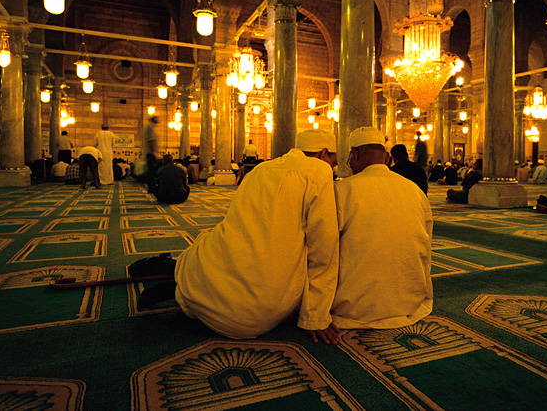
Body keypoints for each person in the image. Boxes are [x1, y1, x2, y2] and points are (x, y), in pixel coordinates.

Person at [157, 129, 340, 343]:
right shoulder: (319, 171)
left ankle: (175, 278)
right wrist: (315, 317)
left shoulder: (262, 168)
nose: (333, 168)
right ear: (323, 153)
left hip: (211, 279)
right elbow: (324, 247)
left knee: (203, 243)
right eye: (333, 162)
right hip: (256, 315)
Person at [332, 127, 433, 329]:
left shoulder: (342, 190)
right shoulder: (414, 190)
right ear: (387, 157)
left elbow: (323, 250)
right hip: (409, 302)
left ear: (356, 154)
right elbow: (426, 248)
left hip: (352, 308)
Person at [143, 116, 160, 193]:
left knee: (151, 171)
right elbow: (151, 140)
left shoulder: (150, 126)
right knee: (152, 172)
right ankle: (152, 188)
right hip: (151, 153)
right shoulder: (150, 127)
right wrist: (153, 152)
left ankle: (151, 187)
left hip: (150, 153)